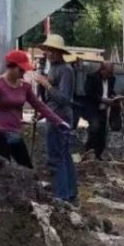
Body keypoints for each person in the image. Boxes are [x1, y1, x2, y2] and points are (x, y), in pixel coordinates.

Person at [0, 50, 69, 175]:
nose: (23, 72)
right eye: (21, 69)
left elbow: (40, 106)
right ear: (11, 67)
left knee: (27, 169)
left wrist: (59, 121)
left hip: (15, 133)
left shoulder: (24, 87)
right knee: (4, 171)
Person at [36, 34, 76, 171]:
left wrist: (46, 84)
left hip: (61, 117)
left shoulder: (65, 70)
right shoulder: (53, 68)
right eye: (48, 50)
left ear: (60, 52)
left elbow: (64, 99)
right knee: (53, 154)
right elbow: (51, 99)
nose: (49, 53)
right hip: (52, 116)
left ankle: (63, 189)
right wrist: (43, 112)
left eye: (53, 50)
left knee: (59, 157)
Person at [82, 61, 117, 160]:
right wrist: (103, 100)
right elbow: (89, 93)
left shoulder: (112, 79)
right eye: (109, 72)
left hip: (103, 109)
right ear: (102, 70)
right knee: (95, 127)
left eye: (112, 72)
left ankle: (98, 154)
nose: (110, 75)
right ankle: (89, 149)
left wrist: (115, 96)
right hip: (93, 108)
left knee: (102, 131)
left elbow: (110, 92)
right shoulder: (92, 77)